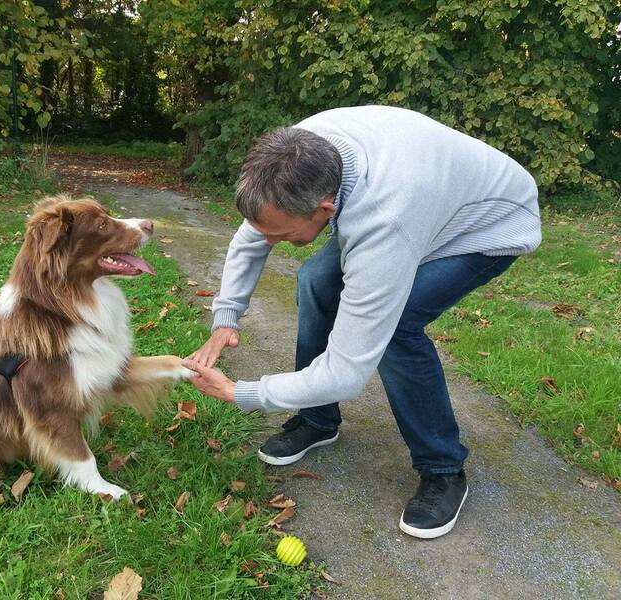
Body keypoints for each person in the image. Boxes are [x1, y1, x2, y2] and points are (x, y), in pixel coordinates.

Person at [181, 105, 541, 539]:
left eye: (281, 234)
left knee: (398, 326)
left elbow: (347, 372)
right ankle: (317, 419)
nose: (270, 242)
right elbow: (252, 236)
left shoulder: (384, 217)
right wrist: (226, 317)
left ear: (326, 207)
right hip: (423, 196)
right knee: (315, 280)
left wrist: (241, 393)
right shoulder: (290, 160)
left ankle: (443, 469)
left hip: (488, 223)